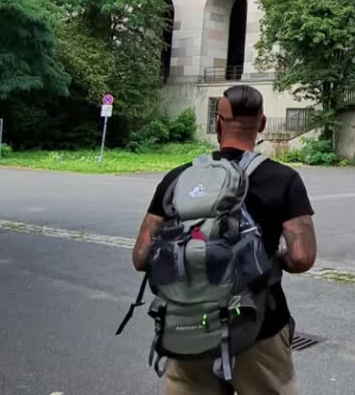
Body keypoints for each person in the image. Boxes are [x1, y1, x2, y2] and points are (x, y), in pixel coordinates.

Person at [132, 85, 317, 395]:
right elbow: (302, 257)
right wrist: (265, 257)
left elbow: (140, 257)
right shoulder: (283, 179)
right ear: (261, 124)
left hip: (189, 325)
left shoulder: (179, 179)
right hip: (258, 326)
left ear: (218, 123)